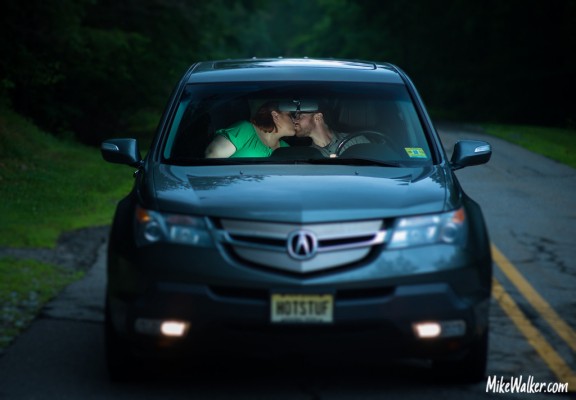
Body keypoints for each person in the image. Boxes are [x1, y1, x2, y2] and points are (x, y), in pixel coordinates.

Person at [205, 101, 295, 158]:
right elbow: (212, 157)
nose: (295, 120)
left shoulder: (285, 148)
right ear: (275, 116)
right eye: (291, 115)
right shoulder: (245, 130)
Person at [291, 101, 368, 157]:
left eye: (300, 116)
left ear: (318, 117)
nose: (294, 121)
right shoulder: (308, 155)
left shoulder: (355, 140)